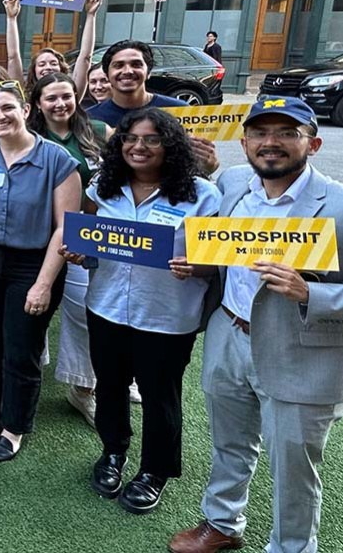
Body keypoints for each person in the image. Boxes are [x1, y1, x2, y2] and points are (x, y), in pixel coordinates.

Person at [169, 97, 343, 553]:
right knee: (230, 441)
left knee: (293, 464)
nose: (272, 143)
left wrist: (312, 293)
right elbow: (218, 251)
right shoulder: (230, 184)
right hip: (229, 332)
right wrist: (198, 264)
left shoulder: (338, 204)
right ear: (244, 143)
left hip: (299, 350)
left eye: (287, 133)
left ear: (313, 142)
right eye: (261, 133)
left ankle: (292, 547)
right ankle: (223, 523)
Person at [60, 108, 220, 515]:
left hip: (167, 316)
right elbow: (90, 241)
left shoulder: (202, 195)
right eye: (130, 138)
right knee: (110, 387)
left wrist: (195, 267)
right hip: (107, 306)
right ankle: (112, 452)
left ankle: (155, 470)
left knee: (159, 396)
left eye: (151, 139)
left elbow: (219, 262)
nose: (139, 147)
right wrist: (81, 255)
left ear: (171, 145)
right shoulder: (103, 188)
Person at [0, 79, 81, 462]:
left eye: (7, 108)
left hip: (33, 263)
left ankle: (14, 427)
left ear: (26, 110)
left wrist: (43, 284)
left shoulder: (58, 160)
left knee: (21, 348)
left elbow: (66, 228)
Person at [27, 71, 111, 426]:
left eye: (66, 96)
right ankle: (34, 364)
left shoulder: (100, 132)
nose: (60, 103)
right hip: (35, 236)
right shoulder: (29, 138)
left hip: (85, 236)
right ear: (38, 104)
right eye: (51, 98)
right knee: (35, 307)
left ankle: (82, 388)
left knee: (81, 315)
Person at [87, 40, 219, 174]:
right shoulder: (89, 118)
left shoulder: (181, 111)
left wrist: (208, 164)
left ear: (148, 72)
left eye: (136, 64)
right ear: (108, 75)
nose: (127, 71)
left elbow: (202, 165)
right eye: (118, 65)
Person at [3, 0, 103, 95]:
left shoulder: (71, 92)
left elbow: (85, 58)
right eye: (42, 64)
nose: (48, 67)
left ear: (61, 69)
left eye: (53, 63)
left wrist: (91, 15)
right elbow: (13, 57)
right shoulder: (24, 95)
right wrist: (11, 18)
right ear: (34, 71)